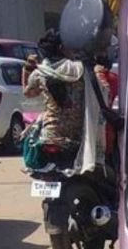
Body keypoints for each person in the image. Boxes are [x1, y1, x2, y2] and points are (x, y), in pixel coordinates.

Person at [21, 29, 106, 173]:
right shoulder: (80, 70)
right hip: (80, 136)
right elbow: (102, 90)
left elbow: (28, 93)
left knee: (29, 134)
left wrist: (28, 67)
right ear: (62, 48)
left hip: (50, 136)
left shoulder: (40, 73)